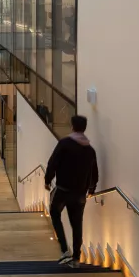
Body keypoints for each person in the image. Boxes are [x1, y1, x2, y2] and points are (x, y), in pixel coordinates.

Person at [45, 115, 99, 268]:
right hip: (80, 193)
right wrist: (91, 189)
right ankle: (76, 258)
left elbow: (52, 162)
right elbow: (94, 172)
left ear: (72, 126)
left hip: (63, 190)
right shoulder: (90, 150)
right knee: (77, 224)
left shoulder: (65, 144)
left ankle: (64, 249)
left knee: (55, 213)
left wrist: (47, 180)